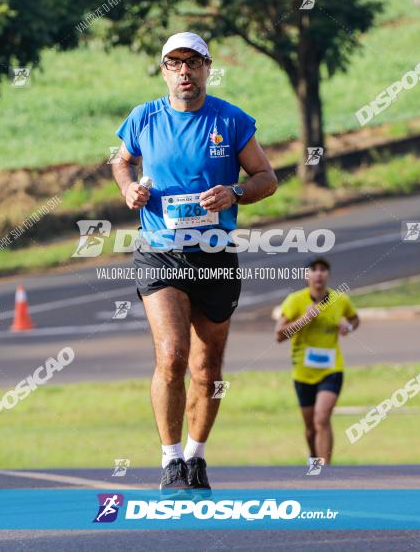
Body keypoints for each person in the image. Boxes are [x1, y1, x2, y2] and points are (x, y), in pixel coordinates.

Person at [111, 32, 278, 495]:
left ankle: (195, 455)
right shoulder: (144, 118)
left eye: (193, 62)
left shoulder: (231, 119)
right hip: (159, 251)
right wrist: (129, 189)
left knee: (208, 367)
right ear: (164, 70)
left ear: (207, 68)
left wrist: (236, 191)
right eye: (174, 63)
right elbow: (121, 163)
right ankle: (168, 460)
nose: (184, 71)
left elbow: (267, 177)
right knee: (172, 357)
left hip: (215, 254)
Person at [275, 257, 359, 464]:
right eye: (314, 269)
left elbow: (354, 319)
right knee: (311, 426)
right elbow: (278, 335)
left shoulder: (340, 300)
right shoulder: (295, 301)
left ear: (328, 274)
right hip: (303, 371)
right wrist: (304, 319)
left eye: (323, 269)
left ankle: (325, 470)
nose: (318, 273)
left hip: (332, 368)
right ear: (307, 276)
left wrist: (348, 327)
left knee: (322, 418)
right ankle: (314, 458)